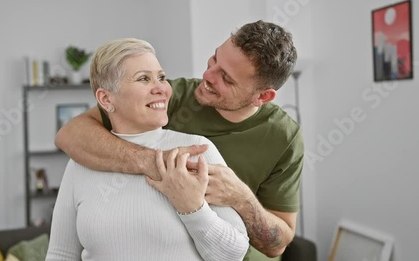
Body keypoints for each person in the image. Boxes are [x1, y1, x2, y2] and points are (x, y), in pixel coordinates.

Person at [55, 20, 303, 260]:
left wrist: (240, 197)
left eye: (226, 79)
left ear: (263, 96)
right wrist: (161, 164)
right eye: (214, 59)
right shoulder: (172, 96)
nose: (207, 75)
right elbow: (71, 134)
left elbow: (277, 245)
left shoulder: (283, 137)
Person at [46, 38, 250, 261]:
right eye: (143, 78)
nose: (161, 88)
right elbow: (61, 254)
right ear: (106, 99)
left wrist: (192, 208)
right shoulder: (81, 164)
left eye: (161, 77)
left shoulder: (197, 150)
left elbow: (233, 255)